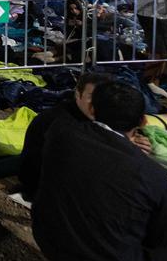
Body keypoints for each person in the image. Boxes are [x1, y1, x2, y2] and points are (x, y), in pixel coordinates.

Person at [32, 81, 167, 261]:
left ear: (92, 109)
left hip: (51, 243)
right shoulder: (152, 174)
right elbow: (159, 238)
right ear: (143, 121)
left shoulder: (60, 133)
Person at [19, 72, 126, 200]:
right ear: (77, 94)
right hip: (46, 186)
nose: (96, 104)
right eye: (91, 96)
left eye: (103, 98)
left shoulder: (99, 117)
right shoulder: (59, 122)